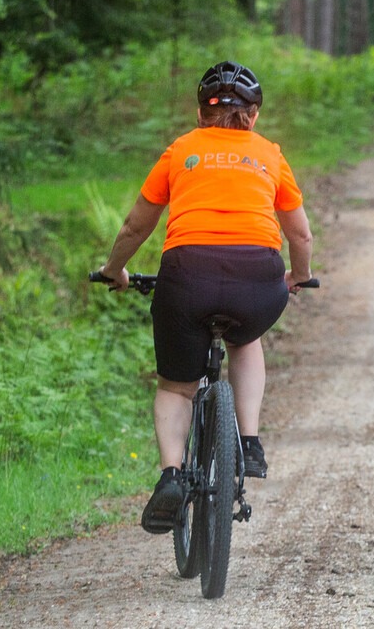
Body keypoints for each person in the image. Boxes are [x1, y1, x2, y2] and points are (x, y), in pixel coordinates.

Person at [96, 61, 314, 533]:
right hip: (257, 280)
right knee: (245, 338)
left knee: (176, 385)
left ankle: (171, 473)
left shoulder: (180, 151)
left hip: (186, 276)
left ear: (200, 112)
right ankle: (250, 442)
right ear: (253, 116)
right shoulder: (270, 155)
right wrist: (298, 275)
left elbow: (138, 224)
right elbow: (300, 233)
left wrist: (115, 270)